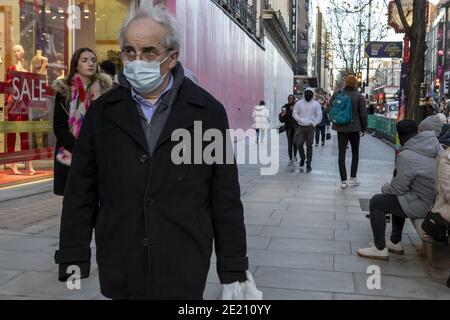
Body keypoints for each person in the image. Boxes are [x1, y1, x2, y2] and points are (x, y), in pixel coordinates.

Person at [54, 4, 250, 300]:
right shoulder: (102, 114)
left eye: (149, 51)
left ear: (172, 57)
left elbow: (225, 197)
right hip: (121, 263)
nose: (137, 60)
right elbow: (80, 191)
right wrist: (73, 255)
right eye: (129, 52)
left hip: (183, 266)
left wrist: (233, 270)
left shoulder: (207, 113)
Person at [357, 120, 443, 260]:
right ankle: (394, 242)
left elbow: (398, 187)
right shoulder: (433, 147)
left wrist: (384, 187)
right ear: (417, 132)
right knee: (399, 197)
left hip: (423, 205)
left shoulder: (407, 156)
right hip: (431, 201)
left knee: (376, 202)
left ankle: (379, 249)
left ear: (400, 136)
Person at [52, 48, 112, 196]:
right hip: (71, 153)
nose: (90, 64)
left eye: (93, 60)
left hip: (98, 154)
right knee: (74, 204)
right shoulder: (64, 90)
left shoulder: (105, 91)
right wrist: (78, 147)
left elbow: (108, 123)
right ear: (76, 65)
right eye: (84, 60)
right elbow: (59, 126)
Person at [329, 74, 368, 189]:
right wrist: (364, 128)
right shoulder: (359, 96)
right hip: (355, 128)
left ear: (345, 83)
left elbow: (329, 108)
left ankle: (343, 181)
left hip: (341, 128)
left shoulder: (337, 94)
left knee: (341, 154)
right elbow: (363, 114)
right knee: (355, 153)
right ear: (355, 84)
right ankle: (353, 178)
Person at [292, 87, 322, 172]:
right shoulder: (299, 103)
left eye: (310, 93)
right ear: (304, 93)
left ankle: (308, 163)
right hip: (301, 127)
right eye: (307, 93)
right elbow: (294, 113)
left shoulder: (316, 104)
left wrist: (315, 123)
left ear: (312, 94)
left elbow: (319, 115)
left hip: (310, 127)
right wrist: (300, 120)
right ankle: (302, 157)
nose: (308, 95)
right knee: (299, 144)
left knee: (309, 145)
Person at [279, 94, 298, 166]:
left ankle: (295, 156)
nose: (290, 99)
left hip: (296, 127)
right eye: (289, 98)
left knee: (294, 142)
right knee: (290, 143)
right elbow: (281, 120)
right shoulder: (285, 107)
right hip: (288, 127)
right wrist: (282, 115)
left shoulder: (297, 107)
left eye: (291, 98)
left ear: (294, 99)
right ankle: (290, 159)